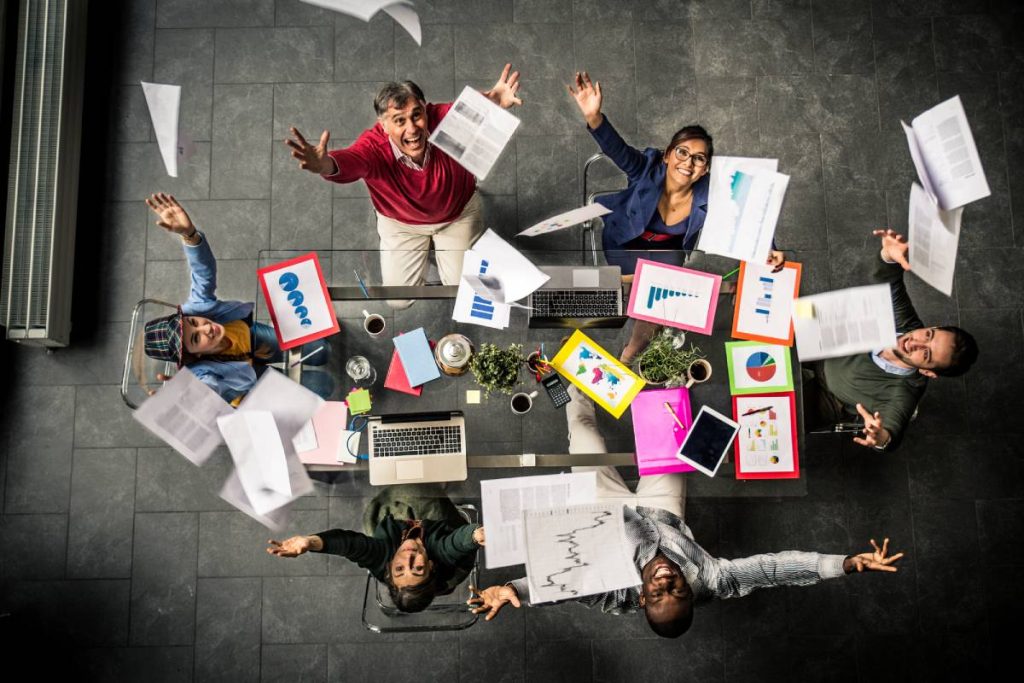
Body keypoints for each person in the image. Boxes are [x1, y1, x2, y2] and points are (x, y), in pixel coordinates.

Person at [468, 387, 903, 638]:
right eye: (677, 591)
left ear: (641, 599)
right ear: (692, 592)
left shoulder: (613, 595)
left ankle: (576, 380)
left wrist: (513, 589)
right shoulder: (713, 580)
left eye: (658, 594)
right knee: (670, 425)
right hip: (661, 510)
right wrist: (844, 565)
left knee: (584, 434)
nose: (666, 582)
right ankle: (661, 370)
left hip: (601, 512)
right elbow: (774, 570)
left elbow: (561, 582)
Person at [568, 71, 786, 362]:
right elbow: (617, 150)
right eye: (682, 152)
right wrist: (595, 117)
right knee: (642, 294)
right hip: (624, 245)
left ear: (705, 168)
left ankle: (631, 350)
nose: (688, 162)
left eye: (699, 158)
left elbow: (750, 212)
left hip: (668, 254)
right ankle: (640, 318)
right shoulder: (646, 168)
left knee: (656, 301)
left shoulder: (712, 190)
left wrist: (768, 247)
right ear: (667, 155)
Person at [284, 65, 523, 309]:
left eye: (416, 115)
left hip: (458, 215)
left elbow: (479, 106)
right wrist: (323, 164)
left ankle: (444, 256)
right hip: (402, 226)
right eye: (399, 120)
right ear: (384, 125)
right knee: (398, 300)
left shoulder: (445, 118)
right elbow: (346, 161)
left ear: (425, 109)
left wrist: (495, 99)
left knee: (461, 291)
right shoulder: (372, 149)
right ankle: (435, 255)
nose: (412, 128)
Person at [141, 193, 332, 404]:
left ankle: (306, 350)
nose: (205, 328)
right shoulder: (199, 373)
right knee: (323, 385)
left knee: (323, 350)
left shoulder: (196, 308)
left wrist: (190, 235)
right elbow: (209, 389)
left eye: (194, 323)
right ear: (193, 356)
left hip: (250, 336)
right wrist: (188, 398)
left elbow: (203, 274)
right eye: (196, 338)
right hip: (248, 382)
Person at [803, 228, 979, 451]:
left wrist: (881, 437)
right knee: (755, 336)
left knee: (766, 408)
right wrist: (889, 256)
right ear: (931, 327)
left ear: (927, 372)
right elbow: (889, 280)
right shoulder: (907, 324)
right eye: (928, 335)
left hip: (827, 397)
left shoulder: (905, 391)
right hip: (820, 346)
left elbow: (892, 431)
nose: (915, 342)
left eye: (925, 354)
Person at [268, 485, 485, 613]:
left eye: (400, 569)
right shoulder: (441, 557)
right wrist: (476, 535)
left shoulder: (382, 560)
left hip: (400, 530)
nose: (408, 559)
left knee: (392, 506)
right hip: (444, 541)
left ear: (390, 568)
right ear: (431, 565)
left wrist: (311, 542)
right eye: (417, 569)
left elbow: (350, 546)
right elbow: (455, 543)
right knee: (425, 496)